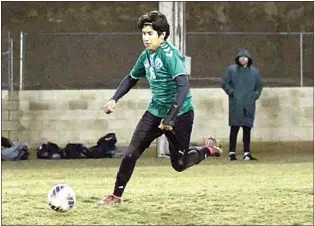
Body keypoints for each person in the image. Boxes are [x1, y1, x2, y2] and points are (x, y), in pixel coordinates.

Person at [97, 11, 223, 205]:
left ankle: (207, 150)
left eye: (150, 34)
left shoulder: (170, 55)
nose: (146, 38)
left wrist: (171, 117)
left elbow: (183, 87)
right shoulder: (146, 55)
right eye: (144, 34)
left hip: (180, 114)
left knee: (179, 165)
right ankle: (116, 196)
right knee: (131, 153)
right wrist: (115, 98)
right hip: (155, 112)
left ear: (162, 35)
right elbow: (131, 77)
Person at [221, 49, 263, 161]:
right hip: (236, 104)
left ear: (249, 59)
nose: (243, 59)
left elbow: (259, 86)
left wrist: (254, 96)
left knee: (247, 129)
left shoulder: (254, 72)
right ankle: (232, 152)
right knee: (234, 128)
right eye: (241, 57)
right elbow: (224, 82)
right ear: (238, 59)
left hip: (249, 104)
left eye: (245, 57)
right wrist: (232, 92)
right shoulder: (232, 70)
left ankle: (247, 153)